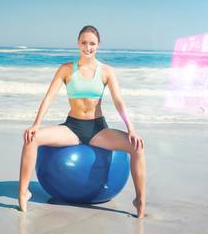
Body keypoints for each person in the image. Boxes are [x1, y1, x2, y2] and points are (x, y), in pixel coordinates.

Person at [18, 25, 146, 218]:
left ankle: (140, 199)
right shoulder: (66, 69)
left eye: (92, 43)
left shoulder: (106, 71)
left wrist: (131, 129)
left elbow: (119, 102)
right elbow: (49, 98)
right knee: (31, 139)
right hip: (73, 128)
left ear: (98, 45)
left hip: (98, 129)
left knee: (137, 147)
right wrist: (36, 124)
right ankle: (24, 192)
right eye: (84, 42)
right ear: (78, 43)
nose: (88, 47)